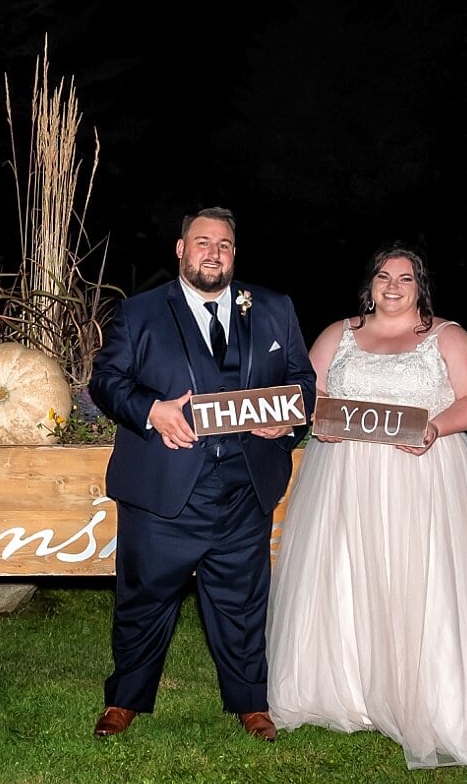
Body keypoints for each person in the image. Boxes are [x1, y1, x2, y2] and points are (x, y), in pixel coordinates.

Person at [266, 244, 467, 768]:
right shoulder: (336, 335)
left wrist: (436, 426)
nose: (392, 286)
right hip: (344, 477)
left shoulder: (446, 336)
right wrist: (280, 416)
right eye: (383, 276)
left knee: (419, 578)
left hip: (424, 474)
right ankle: (346, 690)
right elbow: (306, 395)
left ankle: (431, 694)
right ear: (368, 284)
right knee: (347, 574)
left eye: (405, 278)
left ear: (421, 287)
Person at [89, 207, 317, 741]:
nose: (213, 253)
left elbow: (303, 384)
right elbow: (106, 381)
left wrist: (286, 421)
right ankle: (124, 700)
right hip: (164, 487)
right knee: (144, 600)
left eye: (224, 245)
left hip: (245, 488)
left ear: (234, 254)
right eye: (202, 242)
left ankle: (251, 703)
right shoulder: (141, 313)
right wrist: (151, 411)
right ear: (181, 249)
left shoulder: (274, 308)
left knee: (241, 601)